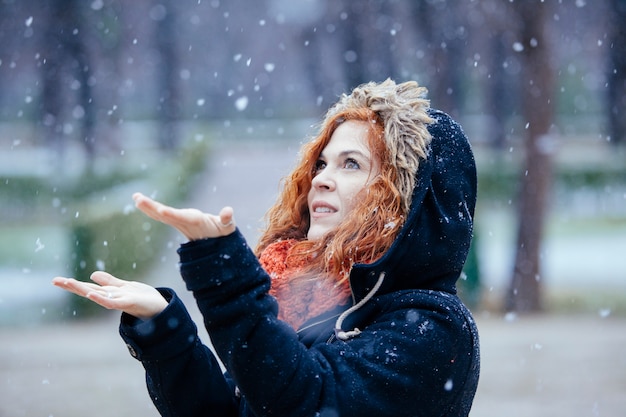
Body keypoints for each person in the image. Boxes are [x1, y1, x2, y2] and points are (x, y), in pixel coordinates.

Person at [53, 79, 480, 417]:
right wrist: (164, 329)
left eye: (352, 163)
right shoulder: (313, 298)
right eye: (322, 162)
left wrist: (224, 271)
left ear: (406, 199)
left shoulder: (434, 325)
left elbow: (307, 401)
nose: (321, 178)